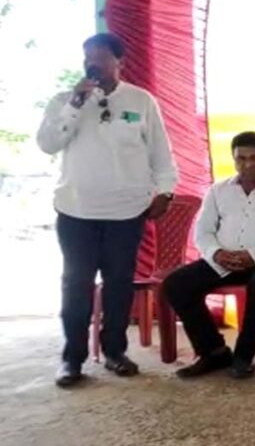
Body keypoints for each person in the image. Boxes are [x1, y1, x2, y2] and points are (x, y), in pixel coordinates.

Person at [37, 32, 179, 387]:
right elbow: (48, 144)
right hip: (76, 210)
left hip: (126, 213)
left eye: (100, 58)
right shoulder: (63, 101)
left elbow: (161, 154)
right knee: (76, 284)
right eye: (88, 58)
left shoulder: (141, 101)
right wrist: (75, 103)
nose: (93, 65)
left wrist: (165, 191)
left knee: (119, 284)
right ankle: (72, 359)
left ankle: (115, 352)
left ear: (120, 62)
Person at [163, 132, 255, 380]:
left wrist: (253, 255)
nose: (248, 164)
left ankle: (243, 356)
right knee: (176, 284)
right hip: (226, 259)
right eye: (241, 158)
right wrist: (217, 254)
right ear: (233, 159)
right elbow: (203, 232)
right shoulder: (219, 190)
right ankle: (214, 352)